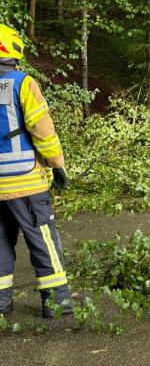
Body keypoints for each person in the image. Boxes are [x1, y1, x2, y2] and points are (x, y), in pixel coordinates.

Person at [0, 24, 71, 319]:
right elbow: (43, 130)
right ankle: (57, 302)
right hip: (25, 182)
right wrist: (57, 165)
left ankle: (1, 304)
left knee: (0, 243)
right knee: (43, 240)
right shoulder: (22, 83)